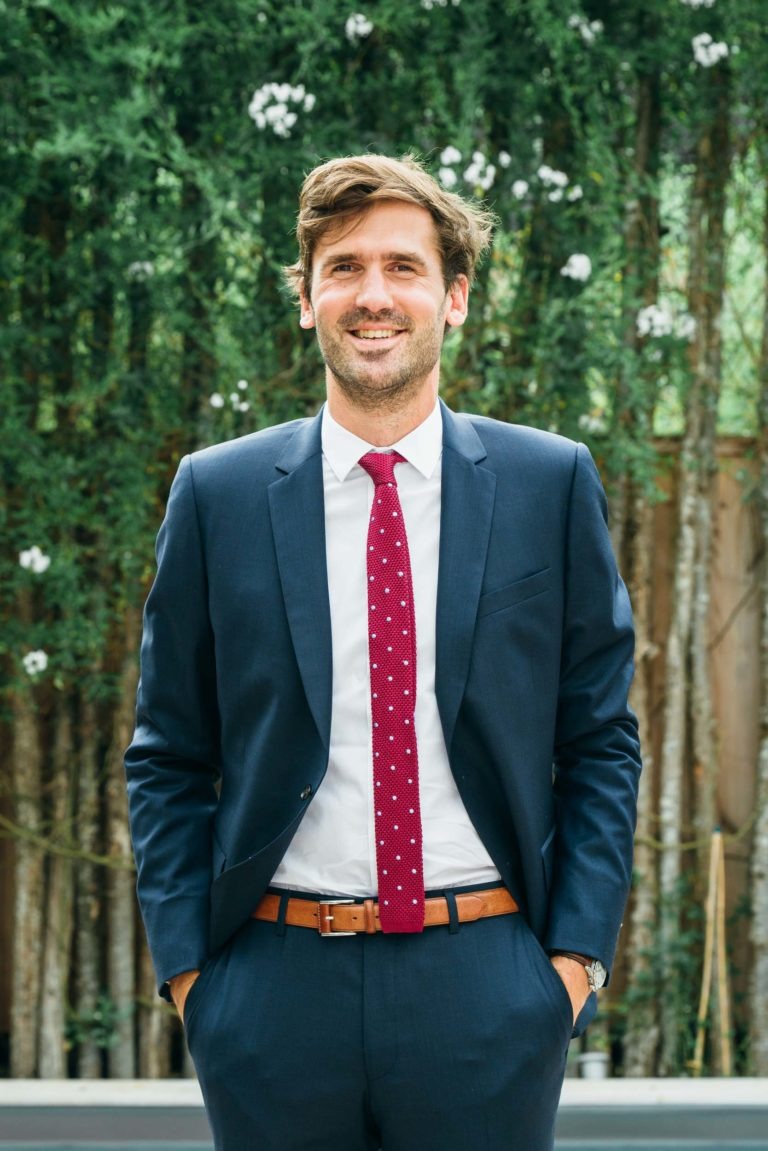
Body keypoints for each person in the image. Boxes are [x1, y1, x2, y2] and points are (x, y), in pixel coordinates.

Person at [125, 153, 641, 1151]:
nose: (374, 295)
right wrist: (196, 979)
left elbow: (600, 739)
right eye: (345, 266)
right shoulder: (216, 496)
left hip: (487, 978)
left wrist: (571, 964)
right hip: (272, 988)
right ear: (305, 294)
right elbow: (169, 751)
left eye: (404, 267)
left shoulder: (550, 484)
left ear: (453, 297)